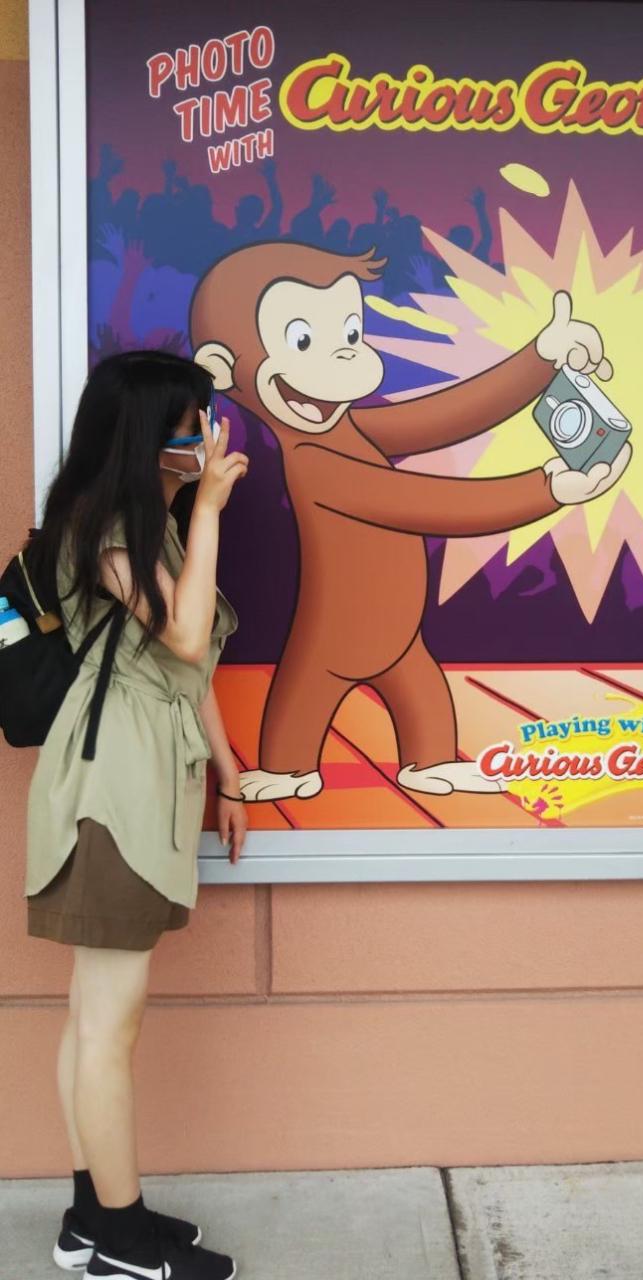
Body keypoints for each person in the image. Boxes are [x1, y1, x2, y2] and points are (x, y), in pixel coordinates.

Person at [23, 350, 249, 1280]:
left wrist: (229, 773)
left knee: (94, 1019)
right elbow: (185, 635)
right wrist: (210, 509)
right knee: (106, 1027)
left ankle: (96, 1216)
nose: (208, 439)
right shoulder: (107, 528)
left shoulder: (146, 529)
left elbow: (187, 672)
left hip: (139, 783)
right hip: (109, 795)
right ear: (154, 434)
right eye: (195, 425)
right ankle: (120, 1242)